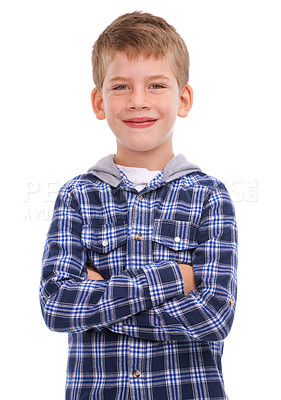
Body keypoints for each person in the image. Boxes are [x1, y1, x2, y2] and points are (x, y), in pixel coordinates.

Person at [40, 11, 238, 400]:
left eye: (156, 85)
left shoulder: (210, 195)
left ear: (183, 99)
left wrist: (101, 310)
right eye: (120, 87)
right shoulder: (77, 196)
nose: (138, 101)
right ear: (99, 102)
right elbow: (57, 306)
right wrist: (173, 280)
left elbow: (214, 315)